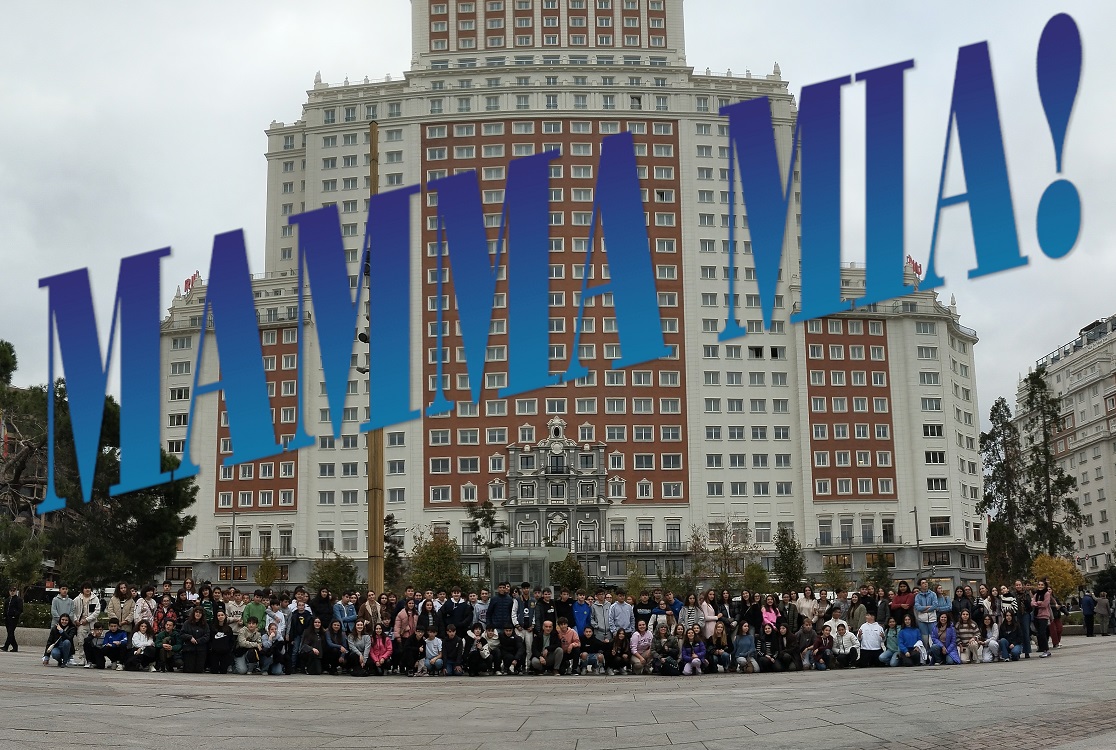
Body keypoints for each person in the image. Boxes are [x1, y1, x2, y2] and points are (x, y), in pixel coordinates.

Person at [70, 582, 101, 666]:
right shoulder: (77, 599)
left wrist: (87, 620)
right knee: (81, 641)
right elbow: (72, 611)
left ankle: (91, 659)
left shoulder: (95, 599)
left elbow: (97, 611)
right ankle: (82, 658)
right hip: (81, 624)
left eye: (89, 588)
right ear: (82, 589)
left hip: (92, 623)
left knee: (92, 641)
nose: (87, 590)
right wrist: (75, 620)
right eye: (85, 588)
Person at [180, 607, 210, 673]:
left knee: (199, 670)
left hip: (201, 650)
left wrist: (198, 641)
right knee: (188, 670)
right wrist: (190, 637)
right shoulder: (187, 623)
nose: (198, 614)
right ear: (193, 613)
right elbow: (182, 634)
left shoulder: (205, 624)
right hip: (189, 649)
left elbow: (207, 636)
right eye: (196, 612)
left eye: (200, 613)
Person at [207, 609, 235, 674]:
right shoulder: (212, 628)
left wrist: (229, 649)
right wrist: (211, 648)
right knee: (214, 671)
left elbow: (231, 641)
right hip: (214, 653)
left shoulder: (229, 629)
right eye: (218, 615)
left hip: (225, 653)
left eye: (222, 615)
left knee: (223, 671)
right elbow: (209, 639)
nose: (220, 617)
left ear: (225, 616)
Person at [1030, 580, 1053, 658]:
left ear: (1044, 586)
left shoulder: (1046, 594)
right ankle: (1042, 648)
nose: (1040, 586)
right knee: (1038, 634)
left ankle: (1046, 650)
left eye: (1042, 585)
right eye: (1039, 584)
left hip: (1044, 616)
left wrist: (1037, 603)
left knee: (1042, 633)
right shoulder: (1036, 594)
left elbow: (1045, 604)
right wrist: (1038, 603)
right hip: (1036, 615)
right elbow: (1032, 603)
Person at [914, 579, 937, 649]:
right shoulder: (918, 596)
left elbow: (935, 605)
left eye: (926, 582)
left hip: (932, 619)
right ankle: (926, 652)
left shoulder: (933, 594)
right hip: (922, 620)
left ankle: (934, 651)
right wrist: (927, 607)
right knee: (924, 638)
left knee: (934, 637)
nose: (925, 584)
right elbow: (917, 607)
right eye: (923, 583)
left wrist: (925, 610)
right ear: (920, 586)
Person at [3, 585, 22, 652]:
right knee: (10, 633)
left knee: (10, 632)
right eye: (11, 591)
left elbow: (20, 609)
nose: (12, 592)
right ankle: (15, 646)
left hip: (13, 618)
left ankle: (6, 646)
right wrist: (4, 616)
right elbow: (5, 608)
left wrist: (15, 615)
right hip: (7, 618)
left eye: (13, 591)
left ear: (16, 591)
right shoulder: (8, 600)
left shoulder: (18, 599)